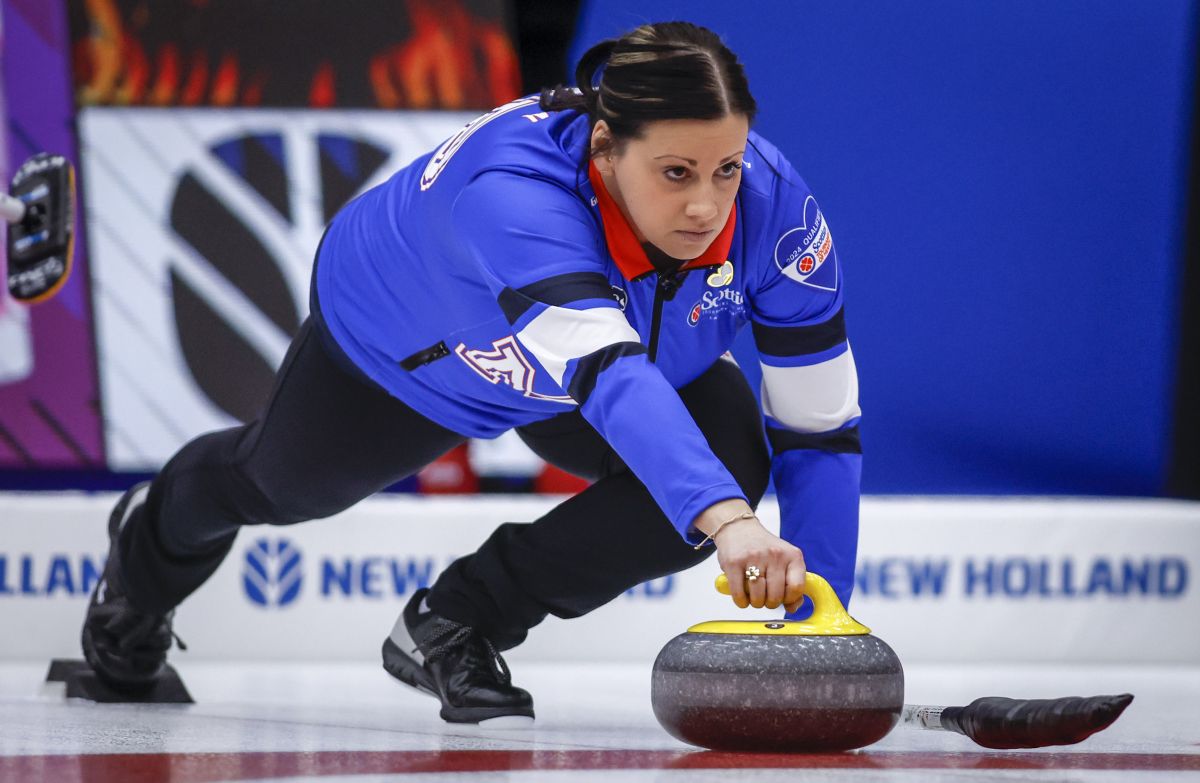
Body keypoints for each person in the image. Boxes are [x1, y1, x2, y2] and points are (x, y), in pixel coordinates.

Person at [82, 21, 862, 724]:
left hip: (593, 362)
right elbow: (609, 374)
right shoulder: (514, 195)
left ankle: (457, 620)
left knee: (726, 452)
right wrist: (731, 521)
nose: (707, 207)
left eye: (726, 168)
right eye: (676, 173)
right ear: (603, 149)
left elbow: (820, 428)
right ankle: (140, 558)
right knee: (273, 486)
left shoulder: (777, 213)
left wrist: (819, 630)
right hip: (411, 352)